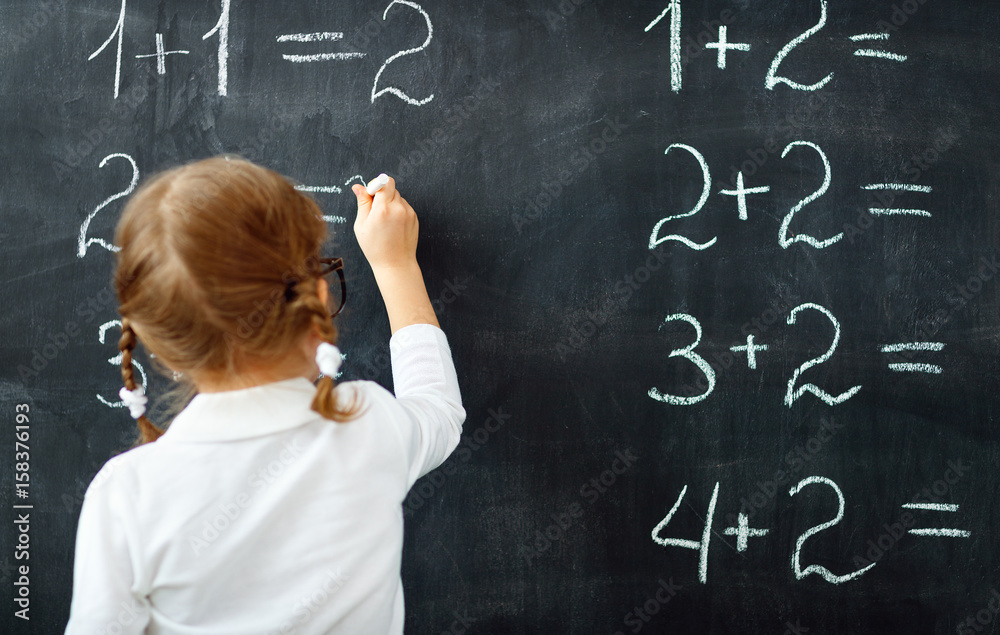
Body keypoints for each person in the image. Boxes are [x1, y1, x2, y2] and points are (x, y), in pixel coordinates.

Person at [64, 157, 465, 634]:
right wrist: (395, 263)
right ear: (317, 296)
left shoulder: (128, 497)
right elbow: (438, 407)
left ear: (158, 343)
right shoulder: (367, 427)